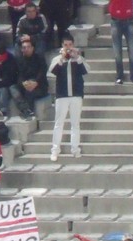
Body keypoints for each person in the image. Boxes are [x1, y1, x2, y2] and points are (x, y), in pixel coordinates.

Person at [48, 33, 88, 161]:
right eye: (66, 45)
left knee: (75, 124)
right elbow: (52, 71)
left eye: (70, 45)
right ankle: (55, 150)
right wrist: (62, 59)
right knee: (58, 123)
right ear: (62, 46)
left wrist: (77, 58)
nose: (68, 47)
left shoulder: (78, 58)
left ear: (73, 45)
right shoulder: (57, 59)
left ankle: (75, 149)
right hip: (62, 95)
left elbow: (86, 70)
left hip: (76, 95)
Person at [11, 38, 49, 119]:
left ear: (32, 48)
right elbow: (18, 75)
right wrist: (23, 83)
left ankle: (28, 110)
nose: (26, 49)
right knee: (12, 88)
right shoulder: (19, 60)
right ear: (21, 49)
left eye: (28, 47)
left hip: (39, 85)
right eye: (24, 47)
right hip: (25, 85)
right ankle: (26, 109)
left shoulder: (39, 58)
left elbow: (42, 72)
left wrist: (35, 82)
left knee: (30, 92)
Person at [108, 0, 133, 85]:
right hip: (115, 20)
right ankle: (119, 76)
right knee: (117, 52)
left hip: (129, 20)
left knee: (132, 51)